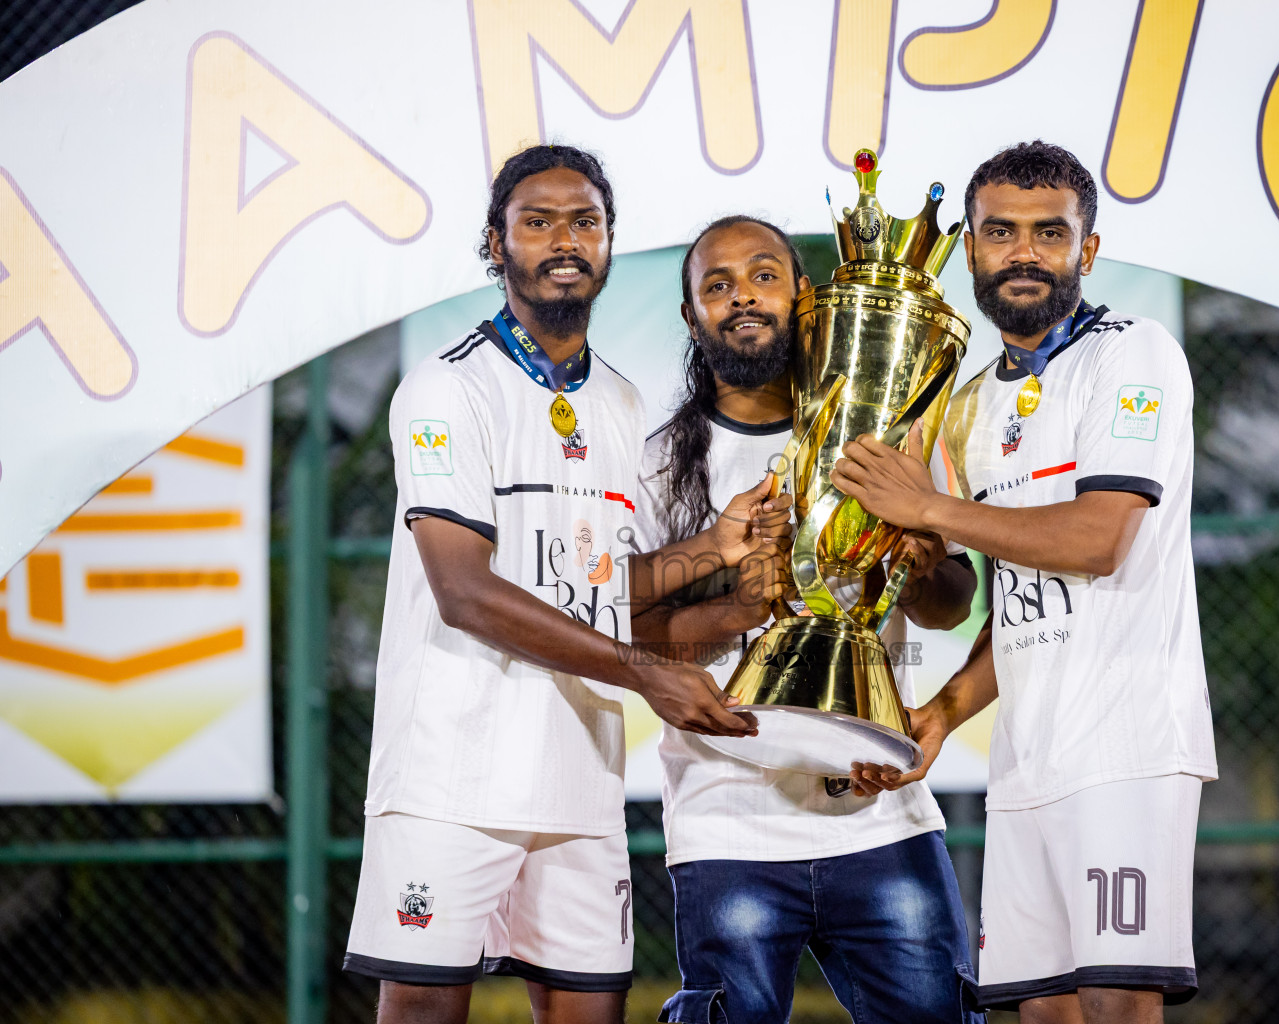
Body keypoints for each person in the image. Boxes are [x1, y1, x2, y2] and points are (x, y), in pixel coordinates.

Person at [342, 146, 789, 1024]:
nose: (564, 240)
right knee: (425, 1008)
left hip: (580, 777)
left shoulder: (622, 404)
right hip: (451, 774)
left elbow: (597, 589)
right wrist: (645, 672)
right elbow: (464, 593)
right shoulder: (448, 388)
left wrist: (717, 547)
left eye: (585, 221)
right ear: (495, 242)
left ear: (611, 244)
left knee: (590, 1011)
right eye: (538, 220)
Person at [831, 141, 1219, 1023]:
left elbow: (1096, 540)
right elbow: (1015, 602)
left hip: (1126, 748)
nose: (1025, 252)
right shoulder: (970, 402)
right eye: (1001, 231)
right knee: (1043, 1011)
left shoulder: (1134, 355)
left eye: (1051, 233)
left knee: (1117, 1006)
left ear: (1087, 248)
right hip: (1026, 755)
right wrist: (941, 715)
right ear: (969, 247)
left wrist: (927, 508)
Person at [631, 215, 985, 1024]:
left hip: (878, 806)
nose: (741, 297)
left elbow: (953, 605)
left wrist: (919, 556)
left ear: (806, 297)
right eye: (715, 285)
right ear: (692, 315)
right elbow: (639, 636)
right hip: (728, 818)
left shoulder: (883, 438)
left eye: (763, 275)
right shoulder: (657, 461)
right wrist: (741, 596)